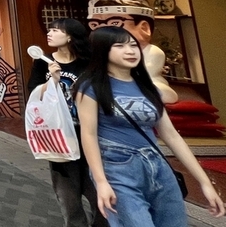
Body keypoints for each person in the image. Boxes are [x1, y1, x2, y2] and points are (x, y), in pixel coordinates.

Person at [74, 26, 224, 226]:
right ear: (102, 50)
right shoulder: (91, 87)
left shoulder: (147, 87)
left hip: (158, 166)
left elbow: (171, 135)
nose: (130, 51)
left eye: (133, 45)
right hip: (117, 168)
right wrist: (101, 181)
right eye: (120, 46)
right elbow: (89, 135)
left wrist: (204, 182)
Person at [26, 19, 106, 227]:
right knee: (68, 195)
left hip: (90, 132)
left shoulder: (88, 61)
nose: (49, 33)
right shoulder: (43, 61)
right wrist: (52, 80)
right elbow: (33, 93)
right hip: (59, 135)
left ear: (70, 36)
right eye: (49, 30)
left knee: (97, 190)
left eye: (55, 30)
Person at [87, 0, 178, 104]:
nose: (103, 30)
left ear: (144, 28)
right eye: (95, 24)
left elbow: (144, 77)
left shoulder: (151, 52)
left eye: (114, 23)